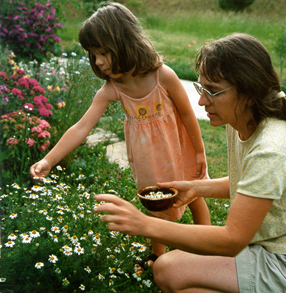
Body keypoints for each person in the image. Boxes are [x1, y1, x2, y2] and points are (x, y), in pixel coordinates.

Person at [93, 33, 286, 293]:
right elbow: (253, 185)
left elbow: (232, 239)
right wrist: (198, 188)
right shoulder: (244, 120)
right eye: (201, 88)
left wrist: (145, 224)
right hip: (267, 246)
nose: (202, 101)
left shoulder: (272, 148)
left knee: (168, 269)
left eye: (212, 91)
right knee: (170, 271)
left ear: (248, 92)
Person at [30, 2, 210, 267]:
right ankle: (157, 254)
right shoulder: (112, 89)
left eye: (103, 52)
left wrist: (198, 151)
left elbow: (187, 114)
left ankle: (205, 246)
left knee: (195, 196)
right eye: (93, 54)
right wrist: (48, 160)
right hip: (149, 157)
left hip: (178, 149)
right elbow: (81, 127)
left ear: (124, 44)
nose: (98, 61)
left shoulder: (164, 76)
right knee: (154, 202)